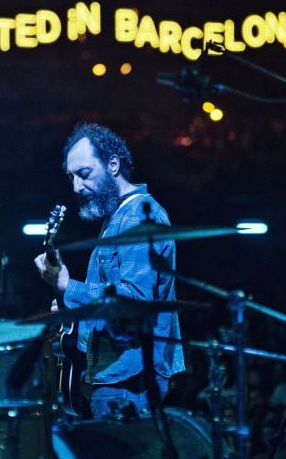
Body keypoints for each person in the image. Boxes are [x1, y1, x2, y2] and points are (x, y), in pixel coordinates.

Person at [34, 121, 184, 419]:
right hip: (111, 374)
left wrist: (68, 286)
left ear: (113, 164)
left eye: (84, 174)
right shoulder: (117, 217)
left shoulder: (140, 217)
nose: (76, 186)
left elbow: (132, 302)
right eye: (71, 177)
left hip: (129, 379)